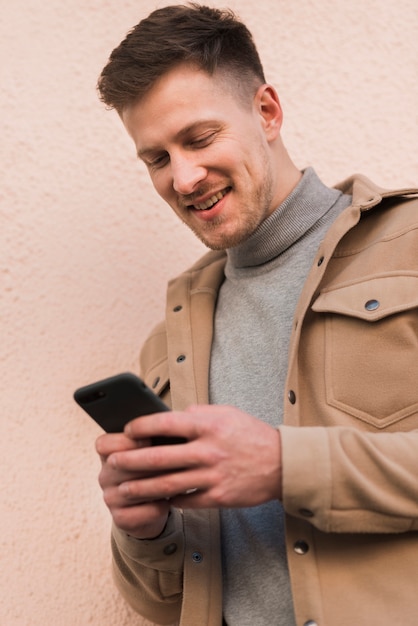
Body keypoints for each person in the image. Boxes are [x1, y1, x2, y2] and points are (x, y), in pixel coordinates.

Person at [95, 4, 418, 626]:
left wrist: (281, 464)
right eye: (157, 159)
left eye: (199, 138)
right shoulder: (167, 344)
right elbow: (160, 604)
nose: (184, 178)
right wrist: (144, 531)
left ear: (266, 111)